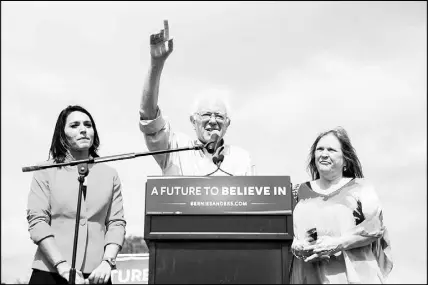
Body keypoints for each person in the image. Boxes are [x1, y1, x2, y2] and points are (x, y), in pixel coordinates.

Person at [139, 20, 255, 176]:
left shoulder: (241, 159)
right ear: (193, 121)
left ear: (227, 123)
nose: (213, 121)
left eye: (219, 116)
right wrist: (156, 64)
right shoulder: (175, 149)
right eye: (206, 115)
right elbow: (149, 118)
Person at [26, 105, 126, 284]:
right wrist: (61, 265)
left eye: (88, 125)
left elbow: (116, 223)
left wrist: (107, 262)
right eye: (74, 125)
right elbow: (37, 221)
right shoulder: (45, 171)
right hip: (51, 271)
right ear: (62, 134)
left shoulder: (110, 174)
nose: (83, 130)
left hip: (97, 275)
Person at [290, 127, 393, 284]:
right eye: (320, 149)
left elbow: (376, 226)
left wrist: (337, 244)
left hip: (356, 278)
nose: (324, 154)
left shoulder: (361, 187)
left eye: (331, 150)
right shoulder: (297, 191)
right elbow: (287, 235)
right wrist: (298, 246)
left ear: (345, 160)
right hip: (309, 276)